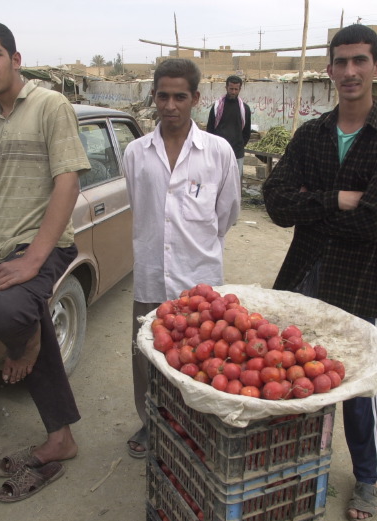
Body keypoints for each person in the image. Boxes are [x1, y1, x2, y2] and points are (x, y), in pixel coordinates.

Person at [262, 24, 377, 521]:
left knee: (362, 386)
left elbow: (373, 223)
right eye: (341, 62)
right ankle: (295, 468)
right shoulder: (311, 135)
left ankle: (366, 481)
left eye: (360, 61)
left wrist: (312, 203)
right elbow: (277, 205)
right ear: (329, 70)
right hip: (303, 272)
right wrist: (336, 199)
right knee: (291, 377)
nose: (350, 71)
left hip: (359, 277)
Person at [0, 21, 91, 503]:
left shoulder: (50, 105)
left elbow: (68, 182)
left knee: (4, 314)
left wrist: (34, 260)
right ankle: (61, 438)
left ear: (16, 59)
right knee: (22, 314)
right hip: (4, 248)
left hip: (43, 245)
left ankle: (28, 343)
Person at [123, 58, 241, 458]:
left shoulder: (218, 152)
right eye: (163, 96)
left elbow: (226, 215)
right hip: (151, 276)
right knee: (147, 355)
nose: (170, 105)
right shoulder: (136, 153)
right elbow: (137, 209)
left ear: (195, 98)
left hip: (200, 280)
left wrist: (199, 243)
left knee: (203, 358)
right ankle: (149, 422)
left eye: (180, 96)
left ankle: (195, 423)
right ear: (153, 97)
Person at [206, 75, 252, 182]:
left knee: (235, 182)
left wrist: (239, 144)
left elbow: (246, 133)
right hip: (218, 152)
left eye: (236, 89)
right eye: (231, 89)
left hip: (237, 152)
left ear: (240, 89)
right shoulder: (217, 107)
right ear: (226, 88)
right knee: (217, 181)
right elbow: (210, 130)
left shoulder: (244, 109)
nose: (233, 92)